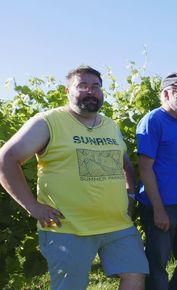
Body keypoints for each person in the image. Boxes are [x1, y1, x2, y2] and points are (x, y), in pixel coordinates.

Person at [0, 65, 148, 290]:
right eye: (83, 86)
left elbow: (125, 163)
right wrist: (32, 206)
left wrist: (129, 194)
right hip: (68, 228)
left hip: (117, 225)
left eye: (96, 86)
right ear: (67, 91)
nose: (91, 91)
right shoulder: (48, 122)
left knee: (135, 275)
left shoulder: (110, 125)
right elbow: (6, 159)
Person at [136, 73, 177, 290]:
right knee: (157, 266)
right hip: (161, 206)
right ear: (165, 93)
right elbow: (145, 168)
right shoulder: (152, 121)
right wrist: (158, 209)